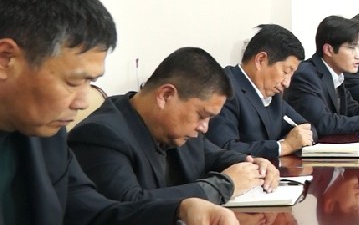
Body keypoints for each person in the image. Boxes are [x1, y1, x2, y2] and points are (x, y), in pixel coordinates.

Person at [0, 0, 249, 225]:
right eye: (73, 82)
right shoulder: (50, 123)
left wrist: (180, 210)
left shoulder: (44, 133)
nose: (83, 101)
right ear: (6, 59)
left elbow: (92, 217)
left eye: (91, 82)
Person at [69, 47, 279, 204]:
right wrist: (224, 186)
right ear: (166, 95)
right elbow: (129, 207)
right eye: (202, 116)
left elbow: (214, 156)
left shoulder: (179, 130)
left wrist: (254, 164)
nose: (204, 128)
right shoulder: (101, 135)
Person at [206, 24, 316, 159]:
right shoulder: (224, 88)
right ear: (260, 60)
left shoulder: (273, 95)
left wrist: (295, 138)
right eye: (286, 71)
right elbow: (224, 149)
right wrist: (284, 146)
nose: (287, 83)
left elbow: (307, 129)